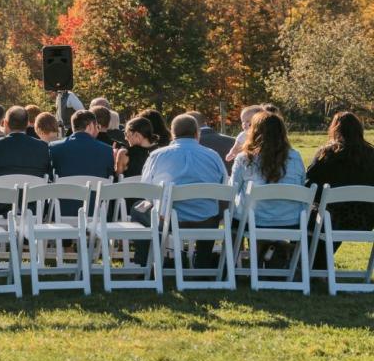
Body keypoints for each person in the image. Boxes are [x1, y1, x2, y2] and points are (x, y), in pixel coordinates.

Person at [131, 113, 231, 267]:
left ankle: (146, 262)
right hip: (205, 220)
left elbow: (147, 190)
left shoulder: (157, 156)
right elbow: (224, 187)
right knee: (212, 212)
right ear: (197, 133)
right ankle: (202, 262)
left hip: (169, 220)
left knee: (138, 209)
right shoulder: (213, 156)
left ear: (172, 133)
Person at [230, 110, 307, 266]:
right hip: (290, 220)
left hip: (253, 221)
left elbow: (232, 191)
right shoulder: (296, 156)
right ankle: (277, 256)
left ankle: (230, 267)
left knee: (231, 220)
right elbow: (301, 184)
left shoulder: (244, 158)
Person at [306, 111, 374, 269]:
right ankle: (318, 266)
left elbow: (310, 184)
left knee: (309, 217)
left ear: (335, 130)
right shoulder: (371, 155)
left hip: (331, 218)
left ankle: (311, 265)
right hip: (364, 220)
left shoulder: (327, 154)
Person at [0, 106, 51, 180]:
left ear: (5, 123)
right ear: (27, 123)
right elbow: (49, 177)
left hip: (1, 191)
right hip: (34, 191)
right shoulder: (43, 147)